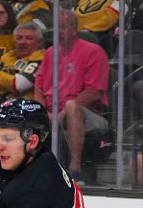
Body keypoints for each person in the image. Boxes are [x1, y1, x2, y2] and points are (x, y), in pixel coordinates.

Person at [33, 9, 109, 182]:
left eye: (64, 27)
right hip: (53, 114)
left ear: (75, 29)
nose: (59, 32)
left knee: (71, 106)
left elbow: (93, 93)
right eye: (57, 27)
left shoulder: (93, 51)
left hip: (89, 116)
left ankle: (75, 170)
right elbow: (38, 87)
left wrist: (62, 115)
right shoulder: (51, 53)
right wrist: (43, 113)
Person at [0, 22, 44, 106]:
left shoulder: (41, 57)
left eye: (29, 38)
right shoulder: (8, 56)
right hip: (1, 106)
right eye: (19, 38)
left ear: (39, 43)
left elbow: (20, 84)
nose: (23, 42)